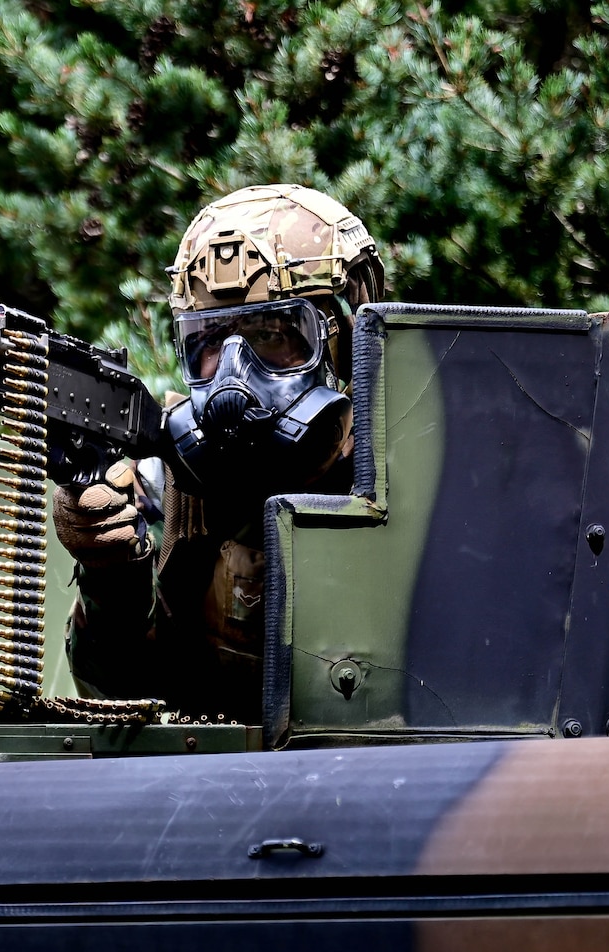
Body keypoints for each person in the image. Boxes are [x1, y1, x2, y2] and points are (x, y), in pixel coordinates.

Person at [52, 184, 386, 720]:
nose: (234, 376)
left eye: (273, 334)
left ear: (343, 343)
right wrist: (110, 573)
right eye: (209, 341)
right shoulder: (164, 493)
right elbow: (113, 701)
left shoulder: (403, 477)